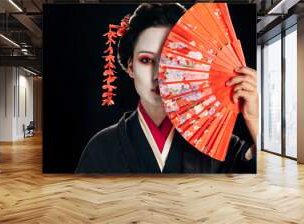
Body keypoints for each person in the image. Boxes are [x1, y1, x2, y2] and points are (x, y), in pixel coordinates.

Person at [76, 3, 258, 173]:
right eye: (146, 60)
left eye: (171, 60)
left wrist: (253, 118)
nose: (158, 75)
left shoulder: (217, 143)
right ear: (131, 67)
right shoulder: (101, 147)